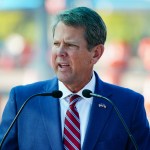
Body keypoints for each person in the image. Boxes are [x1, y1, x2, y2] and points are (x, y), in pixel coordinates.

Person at [0, 7, 149, 150]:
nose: (60, 52)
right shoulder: (23, 101)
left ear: (96, 53)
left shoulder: (127, 105)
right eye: (56, 44)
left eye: (70, 45)